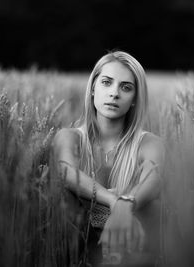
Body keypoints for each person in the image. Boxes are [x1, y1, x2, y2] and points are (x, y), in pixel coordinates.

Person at [52, 50, 165, 266]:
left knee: (153, 207)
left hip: (131, 247)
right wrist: (116, 202)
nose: (114, 93)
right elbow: (66, 171)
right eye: (106, 82)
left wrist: (128, 205)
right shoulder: (68, 137)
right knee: (64, 201)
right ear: (93, 88)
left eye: (126, 87)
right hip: (77, 249)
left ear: (134, 99)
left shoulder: (150, 143)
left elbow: (154, 179)